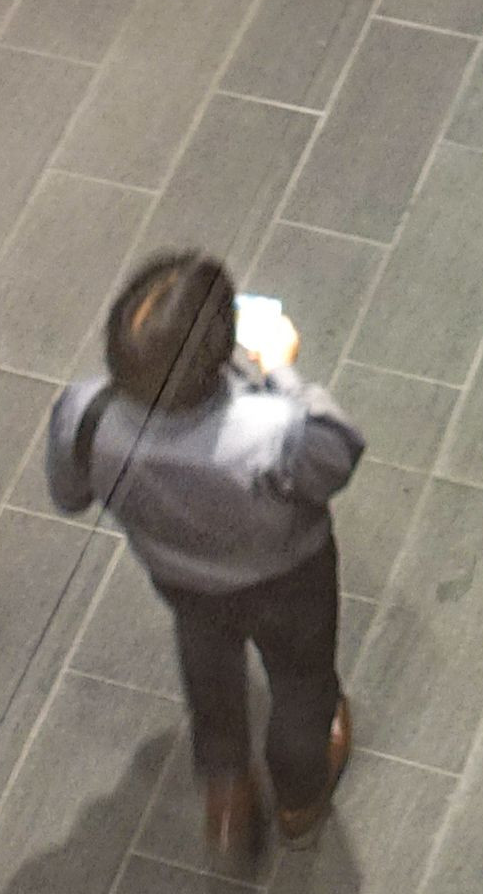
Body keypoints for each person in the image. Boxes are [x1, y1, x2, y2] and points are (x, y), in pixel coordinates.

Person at [47, 252, 363, 862]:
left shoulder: (85, 415)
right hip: (287, 578)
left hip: (181, 579)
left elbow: (69, 494)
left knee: (207, 659)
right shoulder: (272, 429)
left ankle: (227, 794)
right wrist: (280, 370)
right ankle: (299, 797)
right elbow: (337, 456)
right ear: (220, 353)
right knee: (301, 679)